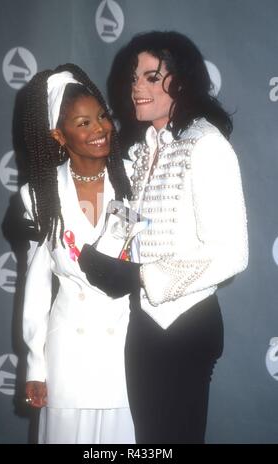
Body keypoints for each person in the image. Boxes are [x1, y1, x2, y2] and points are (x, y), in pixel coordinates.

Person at [79, 31, 248, 444]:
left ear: (182, 83)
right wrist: (91, 255)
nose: (137, 86)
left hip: (188, 326)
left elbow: (231, 253)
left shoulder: (207, 145)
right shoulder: (142, 150)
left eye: (152, 77)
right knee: (148, 443)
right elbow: (129, 220)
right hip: (143, 324)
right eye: (135, 77)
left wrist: (139, 277)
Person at [20, 63, 136, 444]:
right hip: (69, 353)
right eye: (83, 123)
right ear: (58, 135)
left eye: (101, 117)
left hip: (126, 348)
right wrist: (36, 362)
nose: (100, 129)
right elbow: (37, 283)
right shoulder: (39, 194)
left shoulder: (136, 178)